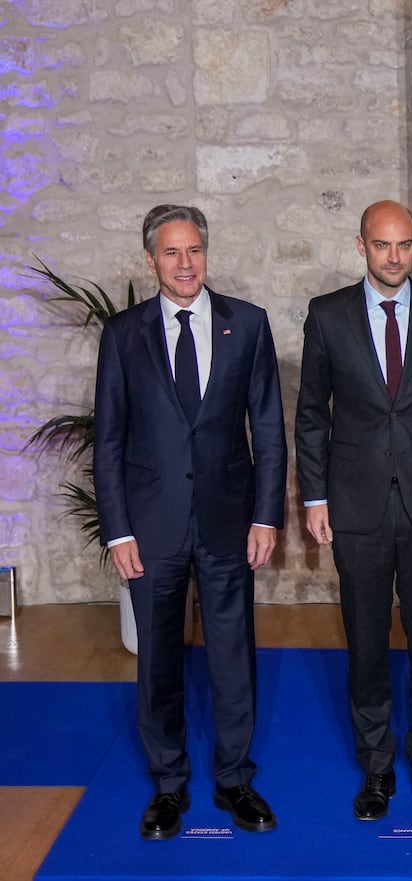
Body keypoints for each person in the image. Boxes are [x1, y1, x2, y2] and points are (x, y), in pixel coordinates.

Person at [93, 203, 287, 839]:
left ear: (207, 253)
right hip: (151, 527)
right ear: (151, 260)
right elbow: (110, 440)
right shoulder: (123, 334)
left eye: (195, 250)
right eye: (172, 253)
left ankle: (235, 779)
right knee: (158, 661)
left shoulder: (248, 325)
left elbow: (267, 429)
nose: (186, 264)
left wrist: (266, 516)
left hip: (229, 522)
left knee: (234, 656)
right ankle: (169, 785)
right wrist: (118, 530)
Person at [295, 200, 412, 822]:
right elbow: (311, 417)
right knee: (367, 648)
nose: (395, 256)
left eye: (404, 245)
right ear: (361, 247)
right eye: (383, 245)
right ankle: (377, 768)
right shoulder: (327, 316)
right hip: (356, 507)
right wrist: (315, 497)